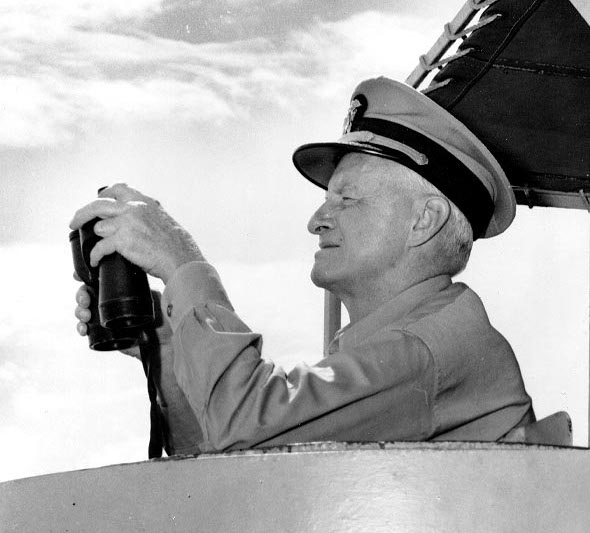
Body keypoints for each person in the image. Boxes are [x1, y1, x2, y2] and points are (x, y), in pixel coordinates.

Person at [71, 76, 535, 456]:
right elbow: (223, 462)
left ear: (423, 220)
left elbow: (245, 427)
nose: (317, 221)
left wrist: (180, 261)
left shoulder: (424, 351)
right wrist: (171, 347)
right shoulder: (411, 340)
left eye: (346, 199)